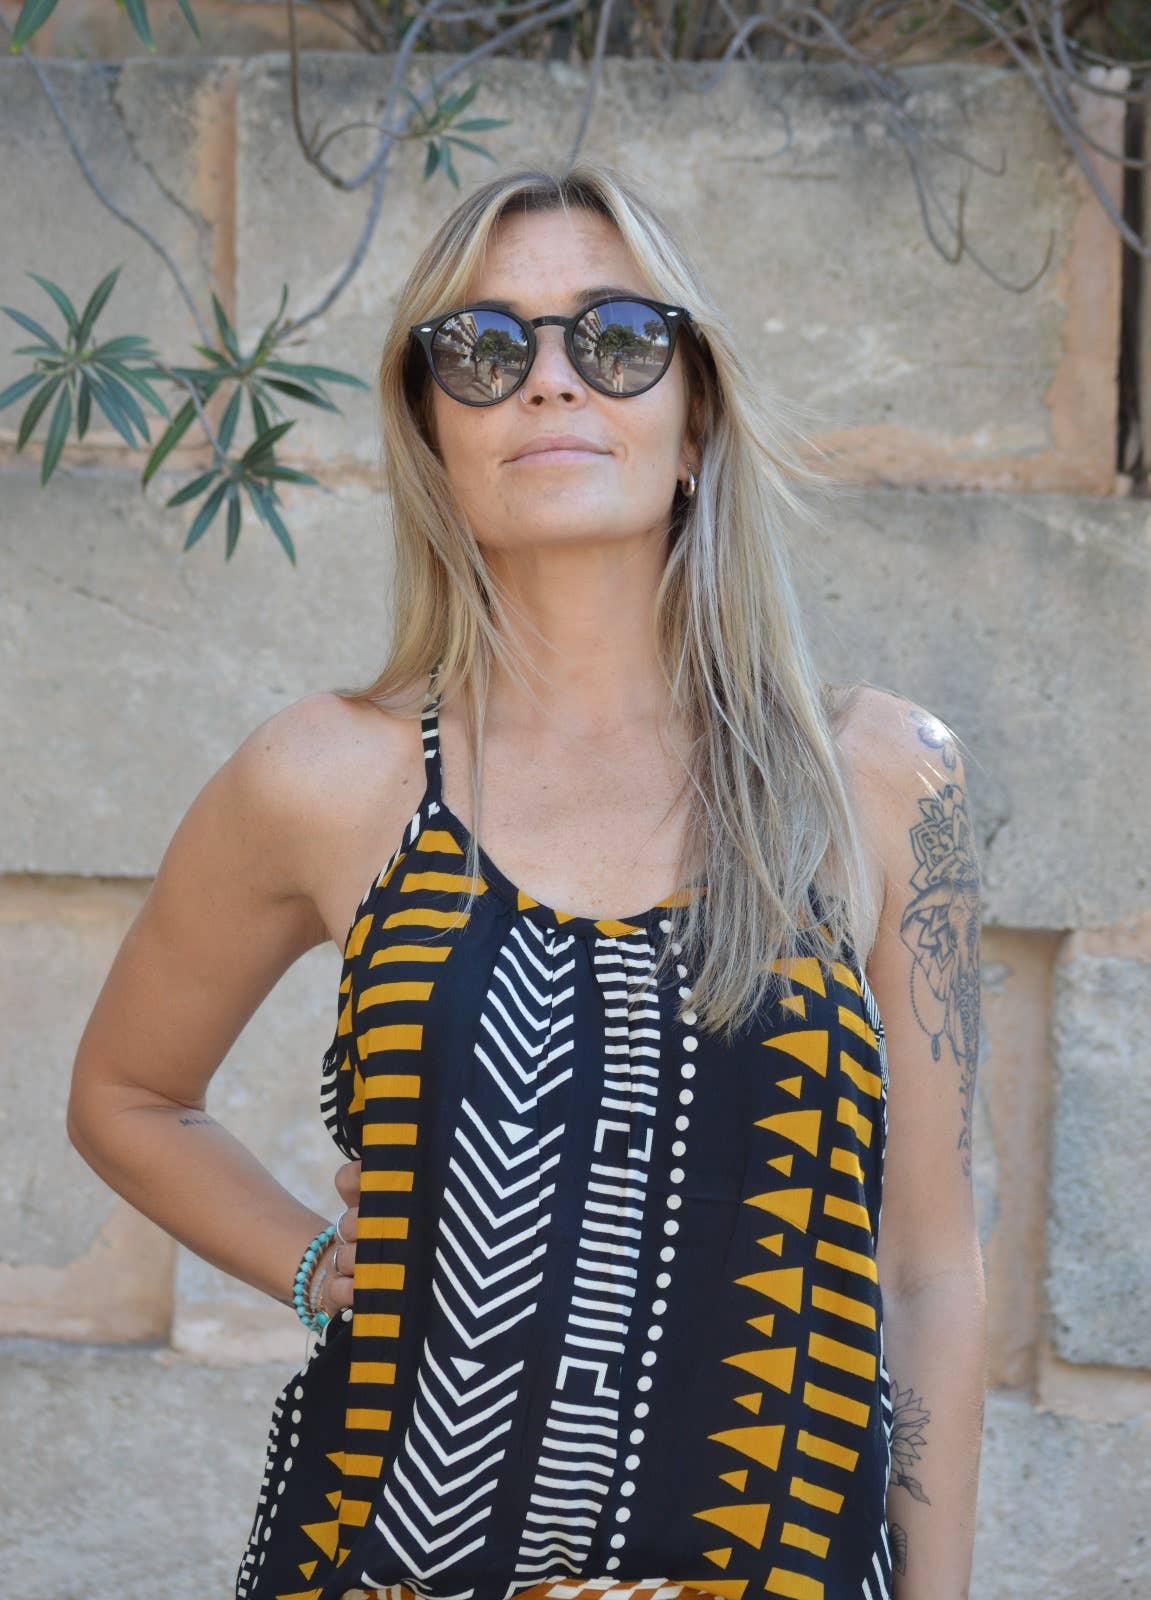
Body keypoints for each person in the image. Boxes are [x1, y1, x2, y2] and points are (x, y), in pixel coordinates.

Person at [67, 163, 987, 1600]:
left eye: (616, 338)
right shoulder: (328, 777)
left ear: (695, 422)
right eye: (485, 349)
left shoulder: (874, 778)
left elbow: (929, 1270)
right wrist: (315, 1266)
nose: (551, 380)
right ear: (434, 433)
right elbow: (125, 1096)